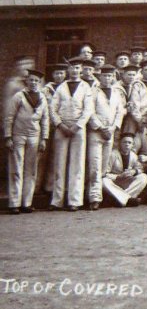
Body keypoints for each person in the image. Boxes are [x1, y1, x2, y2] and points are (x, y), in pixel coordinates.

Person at [49, 56, 94, 211]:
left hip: (78, 129)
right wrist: (60, 124)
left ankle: (74, 201)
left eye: (77, 68)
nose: (74, 71)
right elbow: (53, 109)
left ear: (81, 70)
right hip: (62, 128)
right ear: (67, 70)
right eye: (72, 68)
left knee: (77, 164)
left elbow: (88, 109)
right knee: (59, 163)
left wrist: (77, 125)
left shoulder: (86, 87)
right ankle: (57, 200)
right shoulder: (61, 87)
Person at [4, 69, 49, 213]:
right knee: (16, 169)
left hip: (34, 137)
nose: (34, 83)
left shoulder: (42, 97)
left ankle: (26, 203)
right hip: (18, 135)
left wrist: (44, 139)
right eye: (31, 80)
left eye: (37, 81)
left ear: (39, 83)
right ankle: (14, 203)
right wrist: (8, 137)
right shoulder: (19, 96)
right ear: (26, 81)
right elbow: (9, 117)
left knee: (31, 170)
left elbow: (45, 120)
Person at [85, 65, 125, 210]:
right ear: (100, 77)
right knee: (95, 165)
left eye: (110, 76)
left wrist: (113, 128)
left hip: (110, 132)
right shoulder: (93, 92)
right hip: (96, 133)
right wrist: (101, 127)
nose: (107, 79)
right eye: (104, 76)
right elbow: (89, 112)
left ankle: (102, 195)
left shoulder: (116, 93)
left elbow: (119, 112)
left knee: (104, 166)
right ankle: (94, 198)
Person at [101, 132, 147, 207]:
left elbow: (140, 169)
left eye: (129, 143)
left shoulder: (133, 156)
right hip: (115, 182)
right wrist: (118, 176)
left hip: (126, 183)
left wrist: (134, 171)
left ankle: (119, 199)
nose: (127, 144)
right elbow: (105, 173)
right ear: (120, 143)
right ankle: (128, 200)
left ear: (132, 145)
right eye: (124, 142)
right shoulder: (113, 154)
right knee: (104, 181)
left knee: (143, 177)